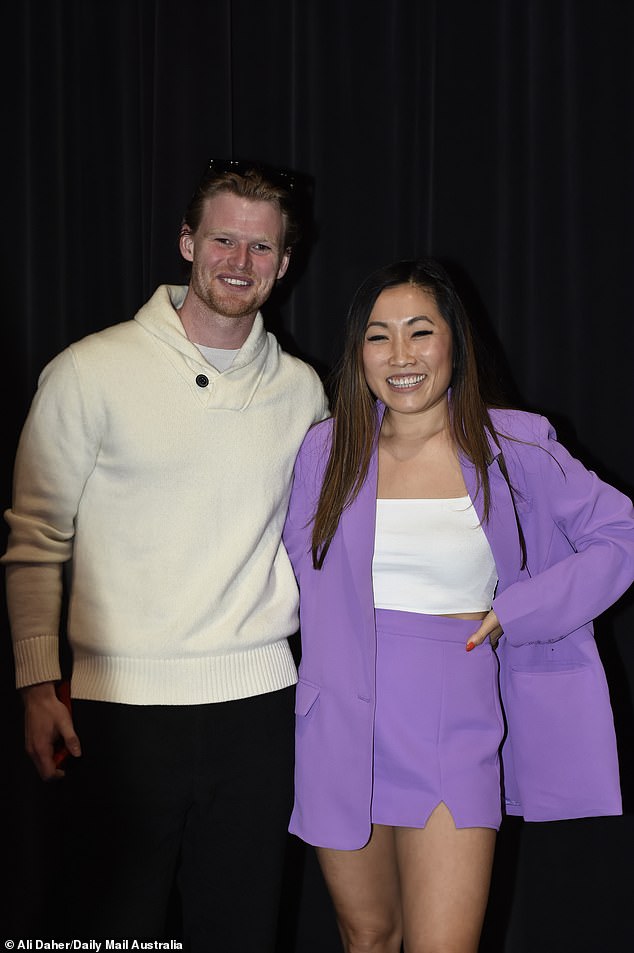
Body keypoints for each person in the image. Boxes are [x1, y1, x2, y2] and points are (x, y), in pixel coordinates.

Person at [3, 158, 328, 949]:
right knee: (109, 931)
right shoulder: (89, 370)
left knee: (241, 931)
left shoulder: (304, 391)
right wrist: (38, 679)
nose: (238, 262)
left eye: (260, 248)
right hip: (117, 713)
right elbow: (36, 536)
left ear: (284, 264)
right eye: (223, 239)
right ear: (187, 242)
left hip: (258, 711)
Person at [282, 257, 634, 953]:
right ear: (359, 353)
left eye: (421, 331)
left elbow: (618, 534)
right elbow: (297, 569)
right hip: (339, 726)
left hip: (455, 722)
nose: (402, 355)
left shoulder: (515, 445)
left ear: (454, 344)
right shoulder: (326, 449)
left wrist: (522, 608)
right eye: (379, 336)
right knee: (367, 935)